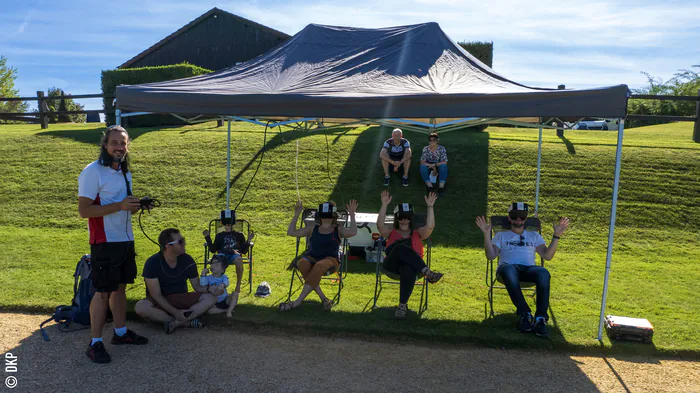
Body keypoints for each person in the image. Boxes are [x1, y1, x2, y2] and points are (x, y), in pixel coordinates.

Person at [78, 125, 148, 364]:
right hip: (104, 241)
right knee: (102, 291)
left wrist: (134, 205)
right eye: (115, 143)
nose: (120, 147)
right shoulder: (92, 172)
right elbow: (84, 210)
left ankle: (120, 332)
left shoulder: (123, 171)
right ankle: (95, 343)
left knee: (120, 288)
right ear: (105, 145)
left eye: (124, 143)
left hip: (125, 239)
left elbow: (120, 203)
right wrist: (119, 206)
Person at [475, 202, 569, 338]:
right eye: (514, 216)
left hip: (528, 270)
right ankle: (525, 313)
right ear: (509, 218)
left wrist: (556, 236)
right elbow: (491, 255)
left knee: (543, 272)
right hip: (507, 269)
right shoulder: (501, 236)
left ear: (525, 219)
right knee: (509, 269)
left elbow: (547, 256)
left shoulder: (534, 236)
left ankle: (540, 319)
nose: (518, 220)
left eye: (522, 217)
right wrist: (486, 234)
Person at [134, 228, 220, 334]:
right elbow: (156, 295)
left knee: (211, 298)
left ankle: (175, 323)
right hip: (161, 300)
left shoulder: (187, 260)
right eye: (180, 242)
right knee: (141, 307)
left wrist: (209, 289)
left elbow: (197, 286)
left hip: (181, 298)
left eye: (183, 240)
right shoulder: (152, 263)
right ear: (167, 246)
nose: (184, 243)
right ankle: (185, 322)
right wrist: (175, 312)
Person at [279, 200, 358, 311]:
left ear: (333, 217)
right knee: (302, 263)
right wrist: (296, 214)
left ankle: (296, 302)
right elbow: (291, 232)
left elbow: (353, 232)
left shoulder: (338, 229)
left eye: (328, 216)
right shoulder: (313, 227)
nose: (326, 218)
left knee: (319, 266)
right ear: (320, 216)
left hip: (331, 260)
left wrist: (352, 215)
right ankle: (324, 299)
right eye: (324, 216)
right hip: (312, 258)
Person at [376, 190, 444, 319]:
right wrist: (384, 205)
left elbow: (430, 227)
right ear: (396, 218)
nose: (404, 220)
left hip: (413, 268)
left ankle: (402, 306)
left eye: (407, 217)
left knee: (408, 269)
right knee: (401, 247)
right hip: (391, 266)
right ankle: (428, 273)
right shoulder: (391, 232)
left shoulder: (418, 233)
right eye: (401, 216)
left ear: (411, 218)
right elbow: (380, 225)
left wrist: (430, 206)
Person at [202, 218, 254, 311]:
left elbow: (244, 250)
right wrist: (207, 237)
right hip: (223, 254)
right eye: (226, 224)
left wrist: (249, 239)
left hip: (235, 254)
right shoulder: (219, 235)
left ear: (233, 224)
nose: (228, 225)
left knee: (239, 260)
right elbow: (213, 249)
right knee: (218, 261)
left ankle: (238, 285)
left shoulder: (239, 235)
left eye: (230, 224)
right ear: (223, 225)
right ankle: (217, 284)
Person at [419, 132, 448, 196]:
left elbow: (444, 161)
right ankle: (430, 187)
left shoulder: (441, 148)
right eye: (430, 140)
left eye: (434, 140)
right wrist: (433, 167)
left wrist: (434, 165)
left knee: (443, 166)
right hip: (428, 164)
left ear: (437, 141)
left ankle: (441, 187)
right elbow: (422, 161)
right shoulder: (426, 148)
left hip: (438, 164)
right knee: (422, 167)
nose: (432, 141)